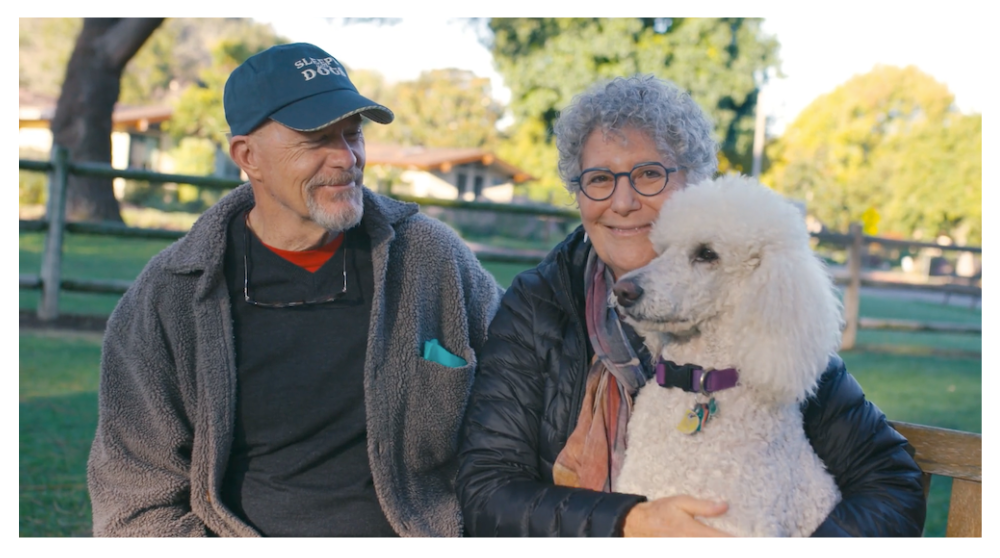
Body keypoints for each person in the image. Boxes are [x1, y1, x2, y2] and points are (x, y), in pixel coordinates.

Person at [456, 74, 926, 537]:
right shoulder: (538, 305)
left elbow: (891, 483)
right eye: (599, 179)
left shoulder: (758, 305)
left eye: (648, 174)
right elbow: (487, 493)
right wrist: (631, 522)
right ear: (579, 194)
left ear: (696, 185)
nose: (622, 201)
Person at [87, 42, 502, 537]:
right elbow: (135, 502)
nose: (345, 159)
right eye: (316, 140)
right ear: (247, 156)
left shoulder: (431, 260)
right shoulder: (168, 298)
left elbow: (520, 409)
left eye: (353, 135)